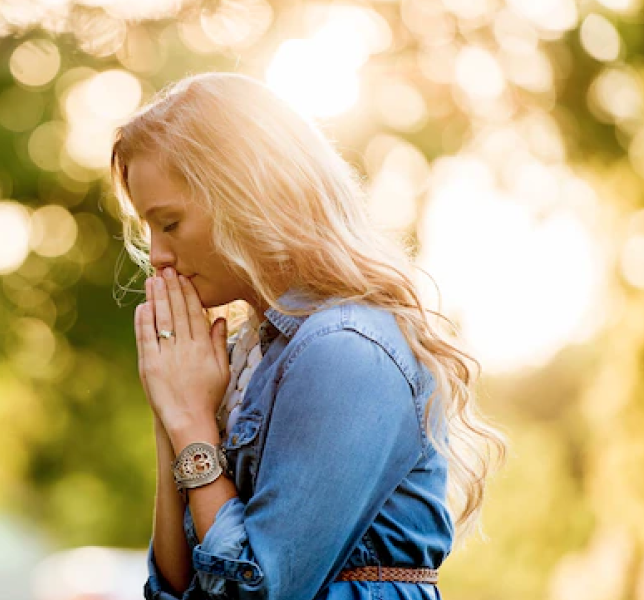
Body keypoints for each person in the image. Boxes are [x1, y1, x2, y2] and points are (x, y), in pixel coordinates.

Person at [109, 72, 508, 599]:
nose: (158, 255)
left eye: (170, 223)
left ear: (243, 195)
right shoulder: (248, 355)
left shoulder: (344, 349)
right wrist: (174, 412)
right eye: (149, 230)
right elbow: (175, 587)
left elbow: (262, 591)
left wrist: (192, 426)